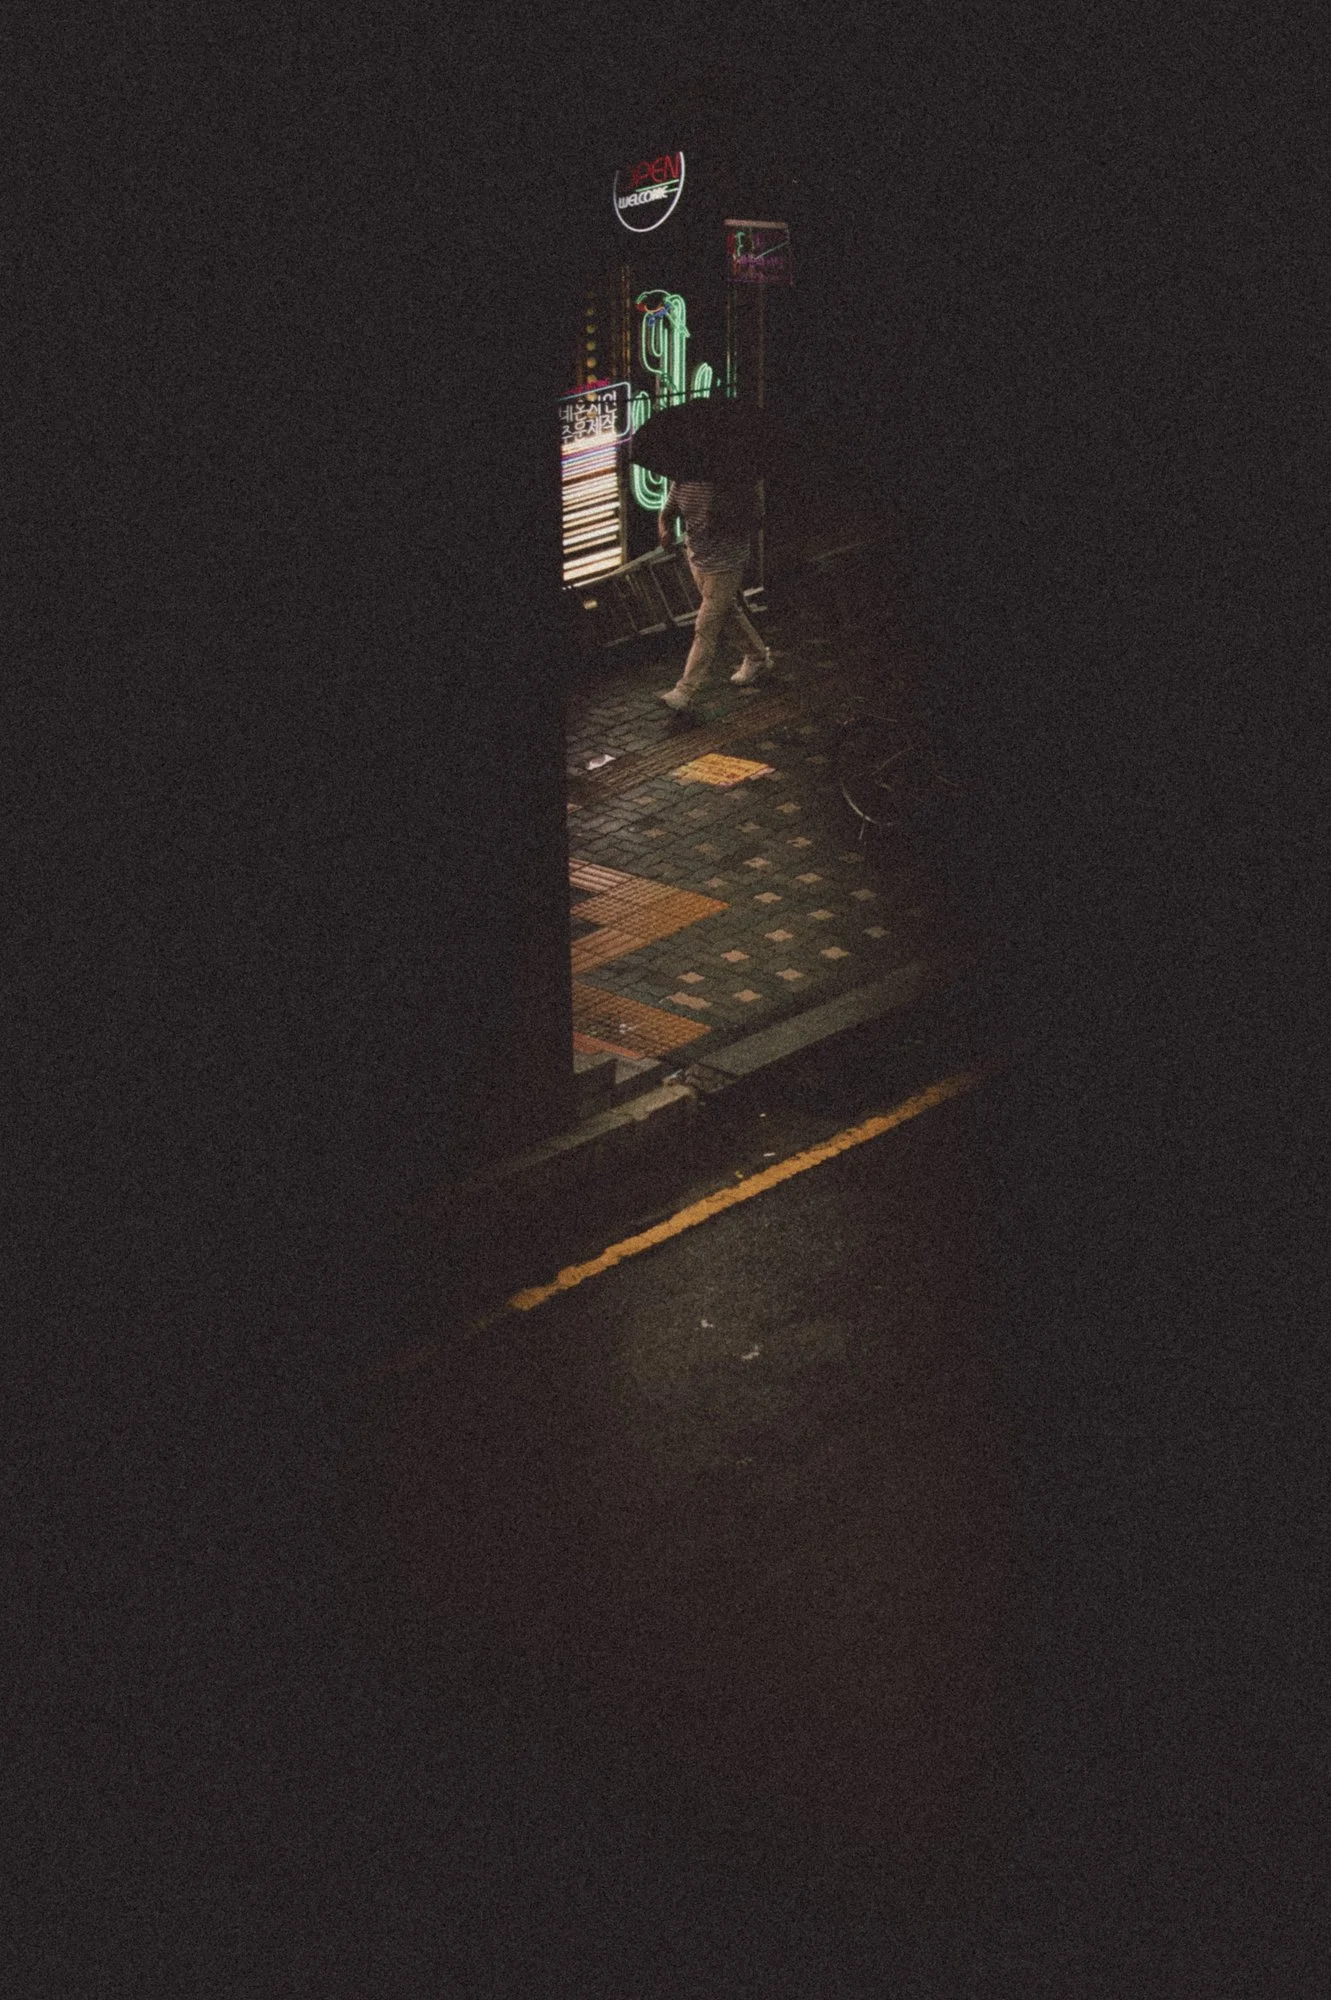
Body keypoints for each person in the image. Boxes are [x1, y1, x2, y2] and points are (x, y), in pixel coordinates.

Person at [656, 478, 773, 710]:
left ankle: (685, 690)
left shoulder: (738, 482)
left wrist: (726, 518)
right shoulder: (682, 481)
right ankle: (758, 656)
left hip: (727, 562)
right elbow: (666, 513)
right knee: (725, 610)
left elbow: (757, 520)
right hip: (697, 558)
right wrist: (664, 531)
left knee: (705, 625)